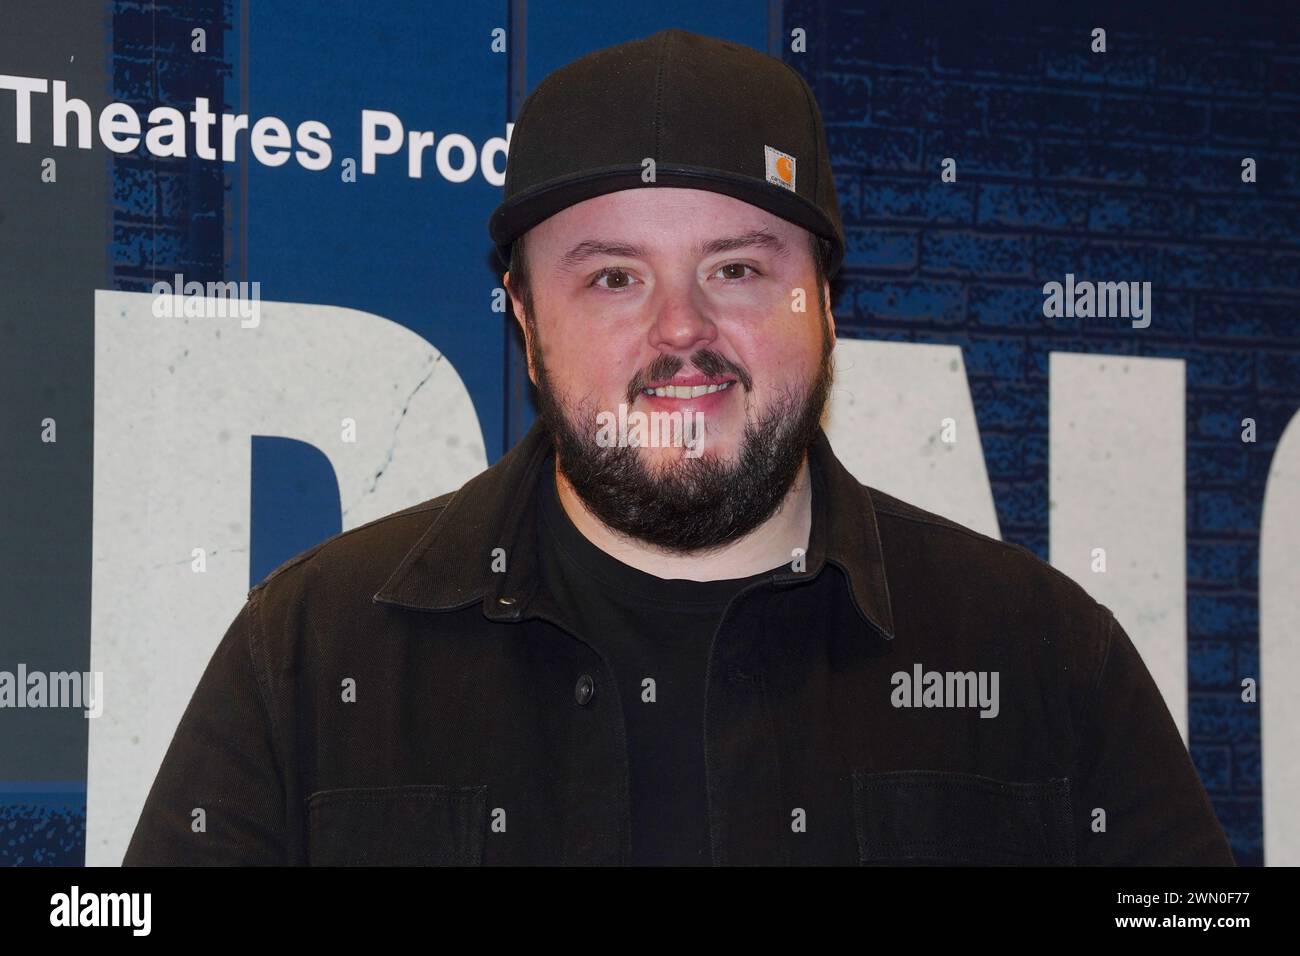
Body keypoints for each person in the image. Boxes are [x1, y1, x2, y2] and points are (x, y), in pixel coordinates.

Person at [124, 27, 1234, 866]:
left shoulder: (1047, 660)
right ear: (521, 318)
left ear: (826, 305)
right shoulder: (314, 655)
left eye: (738, 268)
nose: (681, 333)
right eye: (612, 277)